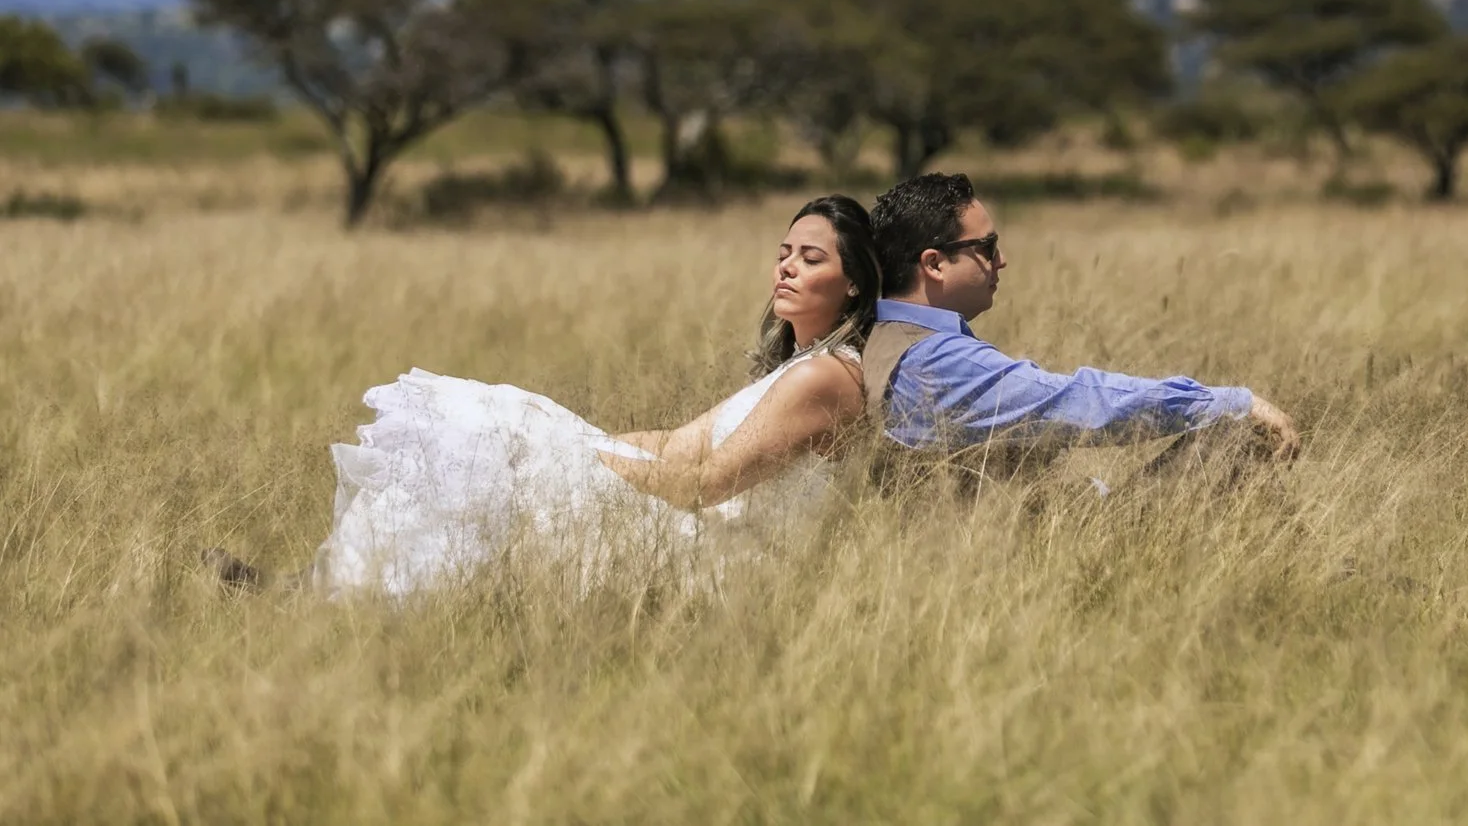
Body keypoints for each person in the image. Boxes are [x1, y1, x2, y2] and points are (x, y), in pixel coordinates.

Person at [212, 196, 877, 597]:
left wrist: (575, 455)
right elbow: (681, 445)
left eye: (811, 258)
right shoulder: (799, 367)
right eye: (783, 251)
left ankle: (331, 594)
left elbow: (701, 482)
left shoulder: (827, 377)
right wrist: (577, 440)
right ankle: (333, 588)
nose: (786, 267)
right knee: (495, 425)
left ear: (854, 284)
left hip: (720, 566)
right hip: (695, 531)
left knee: (492, 431)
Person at [860, 172, 1299, 482]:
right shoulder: (934, 360)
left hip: (1019, 539)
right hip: (1021, 557)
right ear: (934, 264)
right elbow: (1081, 404)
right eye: (987, 247)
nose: (1001, 259)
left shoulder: (893, 341)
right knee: (1234, 431)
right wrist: (1232, 400)